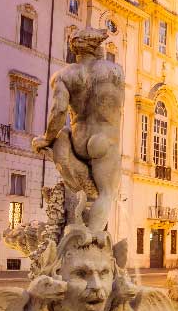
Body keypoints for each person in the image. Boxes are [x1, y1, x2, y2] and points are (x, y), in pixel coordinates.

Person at [32, 28, 123, 232]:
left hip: (76, 140)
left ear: (73, 49)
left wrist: (47, 139)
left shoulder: (64, 75)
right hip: (103, 139)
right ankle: (90, 241)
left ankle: (73, 222)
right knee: (106, 194)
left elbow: (58, 111)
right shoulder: (115, 71)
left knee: (62, 133)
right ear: (97, 47)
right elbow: (118, 108)